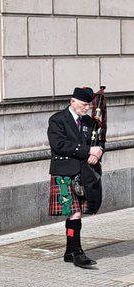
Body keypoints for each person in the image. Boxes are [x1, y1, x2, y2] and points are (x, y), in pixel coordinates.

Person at [48, 86, 104, 268]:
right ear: (72, 101)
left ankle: (69, 252)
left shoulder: (90, 122)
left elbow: (99, 141)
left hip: (83, 173)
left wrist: (98, 152)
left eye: (88, 105)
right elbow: (59, 145)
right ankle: (77, 252)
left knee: (77, 214)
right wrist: (88, 150)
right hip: (64, 173)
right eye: (83, 104)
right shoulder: (57, 120)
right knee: (75, 213)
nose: (86, 108)